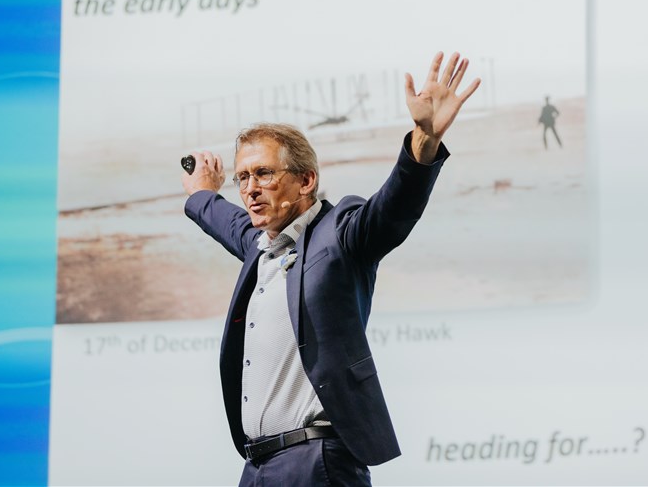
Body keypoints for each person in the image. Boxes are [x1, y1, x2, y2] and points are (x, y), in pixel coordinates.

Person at [181, 52, 480, 486]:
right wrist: (201, 194)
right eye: (243, 177)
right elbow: (227, 221)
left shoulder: (340, 233)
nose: (250, 189)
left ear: (306, 181)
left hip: (317, 461)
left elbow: (392, 208)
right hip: (256, 468)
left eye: (263, 173)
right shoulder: (260, 247)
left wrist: (424, 140)